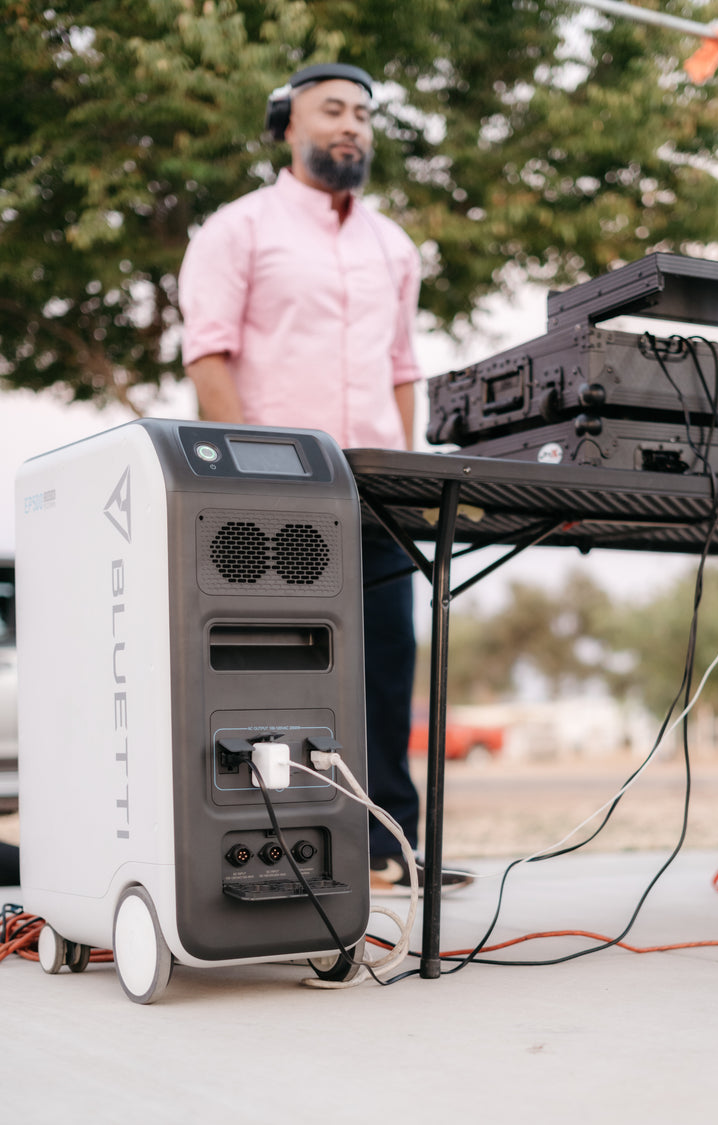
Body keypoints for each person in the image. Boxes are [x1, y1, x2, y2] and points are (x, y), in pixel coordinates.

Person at [178, 61, 471, 895]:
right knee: (279, 665)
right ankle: (285, 846)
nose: (353, 126)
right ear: (287, 125)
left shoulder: (394, 245)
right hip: (277, 489)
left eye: (364, 115)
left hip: (376, 486)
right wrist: (243, 477)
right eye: (333, 110)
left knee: (389, 656)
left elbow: (403, 364)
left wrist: (406, 468)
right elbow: (209, 351)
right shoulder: (237, 229)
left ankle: (394, 849)